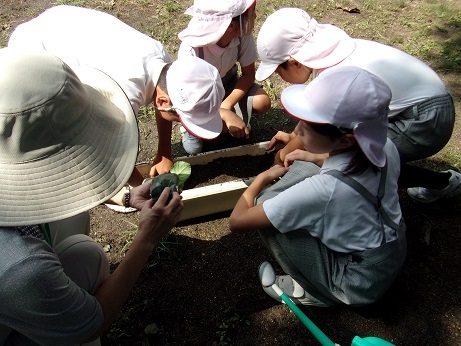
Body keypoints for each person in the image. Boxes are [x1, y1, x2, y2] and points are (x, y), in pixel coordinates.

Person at [0, 48, 184, 344]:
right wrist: (147, 237)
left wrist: (127, 197)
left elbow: (60, 182)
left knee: (84, 249)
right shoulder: (18, 269)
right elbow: (91, 323)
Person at [229, 65, 406, 307]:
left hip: (356, 284)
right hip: (390, 252)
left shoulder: (325, 190)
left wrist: (263, 177)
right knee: (305, 176)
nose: (297, 132)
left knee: (263, 203)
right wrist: (313, 156)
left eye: (304, 128)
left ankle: (318, 293)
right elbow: (350, 171)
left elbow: (238, 221)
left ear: (345, 139)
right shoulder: (384, 146)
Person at [255, 7, 459, 203]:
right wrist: (293, 137)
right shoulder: (335, 53)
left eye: (278, 71)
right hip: (425, 102)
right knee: (346, 152)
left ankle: (443, 183)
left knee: (355, 163)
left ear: (295, 62)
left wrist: (280, 159)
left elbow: (320, 126)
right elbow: (316, 117)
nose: (278, 76)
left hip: (426, 119)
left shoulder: (334, 73)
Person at [8, 4, 225, 187]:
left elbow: (166, 104)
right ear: (162, 101)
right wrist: (143, 190)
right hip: (37, 50)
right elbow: (112, 153)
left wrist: (165, 152)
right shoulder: (123, 96)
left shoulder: (163, 63)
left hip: (62, 21)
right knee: (64, 126)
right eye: (181, 117)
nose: (181, 123)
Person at [177, 0, 271, 154]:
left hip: (227, 83)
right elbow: (191, 97)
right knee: (193, 149)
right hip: (199, 97)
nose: (255, 16)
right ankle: (192, 128)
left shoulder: (242, 35)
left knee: (262, 102)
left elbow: (248, 75)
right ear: (232, 26)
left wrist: (225, 106)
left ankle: (228, 120)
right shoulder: (191, 51)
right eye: (252, 14)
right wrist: (223, 113)